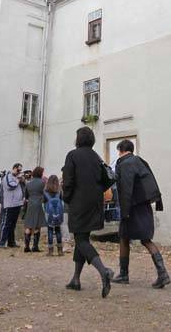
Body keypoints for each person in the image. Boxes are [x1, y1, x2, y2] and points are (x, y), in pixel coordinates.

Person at [62, 126, 114, 298]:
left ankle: (104, 271)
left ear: (78, 139)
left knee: (80, 240)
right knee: (82, 238)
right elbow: (107, 179)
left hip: (79, 202)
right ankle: (75, 279)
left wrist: (67, 198)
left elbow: (68, 181)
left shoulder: (73, 155)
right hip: (95, 203)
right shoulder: (96, 157)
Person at [111, 140, 170, 289]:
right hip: (143, 205)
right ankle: (162, 273)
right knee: (144, 239)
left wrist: (124, 211)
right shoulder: (140, 161)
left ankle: (124, 274)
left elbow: (125, 188)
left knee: (124, 237)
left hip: (131, 206)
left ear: (121, 150)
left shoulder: (124, 163)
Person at [0, 163, 25, 248]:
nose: (19, 172)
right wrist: (18, 180)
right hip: (9, 204)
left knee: (13, 224)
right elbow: (10, 186)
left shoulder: (17, 178)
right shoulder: (7, 176)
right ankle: (1, 243)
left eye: (20, 170)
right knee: (6, 224)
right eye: (18, 170)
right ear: (14, 168)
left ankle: (11, 242)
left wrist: (23, 181)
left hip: (17, 204)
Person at [23, 166, 47, 252]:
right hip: (39, 204)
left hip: (30, 204)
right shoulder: (42, 182)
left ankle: (26, 246)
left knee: (28, 224)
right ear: (40, 173)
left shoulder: (28, 183)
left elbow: (26, 196)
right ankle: (35, 246)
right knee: (37, 225)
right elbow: (45, 194)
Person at [43, 175, 64, 256]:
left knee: (50, 230)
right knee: (58, 230)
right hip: (58, 212)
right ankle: (60, 250)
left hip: (49, 212)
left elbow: (44, 202)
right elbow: (62, 200)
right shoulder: (59, 190)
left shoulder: (45, 191)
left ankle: (50, 251)